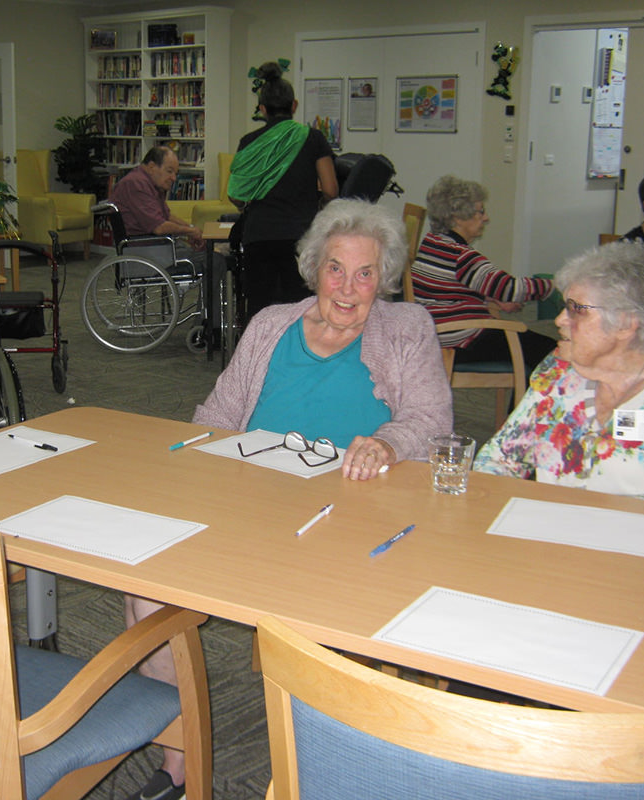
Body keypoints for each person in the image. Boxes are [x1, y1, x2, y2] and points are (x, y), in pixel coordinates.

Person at [122, 199, 452, 800]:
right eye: (335, 269)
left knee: (329, 612)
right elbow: (220, 413)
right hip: (248, 506)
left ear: (383, 278)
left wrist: (386, 442)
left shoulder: (407, 328)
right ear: (314, 267)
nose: (347, 288)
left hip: (348, 516)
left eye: (365, 273)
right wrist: (188, 465)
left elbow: (432, 421)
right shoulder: (272, 323)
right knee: (145, 583)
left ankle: (328, 772)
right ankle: (179, 762)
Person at [474, 241, 644, 510]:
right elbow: (495, 462)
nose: (559, 320)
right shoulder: (558, 370)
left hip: (638, 533)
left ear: (625, 324)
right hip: (549, 528)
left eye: (576, 310)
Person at [413, 174, 557, 375]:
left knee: (531, 348)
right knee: (550, 352)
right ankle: (530, 397)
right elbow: (510, 289)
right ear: (458, 218)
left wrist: (492, 298)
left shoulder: (432, 243)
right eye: (480, 212)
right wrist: (557, 283)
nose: (486, 218)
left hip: (436, 334)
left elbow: (447, 287)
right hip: (460, 340)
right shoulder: (461, 255)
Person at [228, 61, 338, 322]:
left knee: (260, 311)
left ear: (263, 109)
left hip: (259, 236)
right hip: (302, 238)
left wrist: (246, 205)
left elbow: (236, 195)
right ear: (294, 106)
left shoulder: (248, 142)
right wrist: (318, 204)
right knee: (301, 310)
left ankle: (259, 349)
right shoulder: (313, 138)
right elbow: (331, 190)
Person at [109, 145, 204, 248]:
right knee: (212, 255)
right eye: (169, 171)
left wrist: (191, 229)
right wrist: (190, 231)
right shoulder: (136, 184)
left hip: (159, 245)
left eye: (175, 173)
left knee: (208, 251)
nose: (174, 178)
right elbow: (159, 227)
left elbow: (167, 217)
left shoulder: (152, 183)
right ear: (151, 167)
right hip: (145, 249)